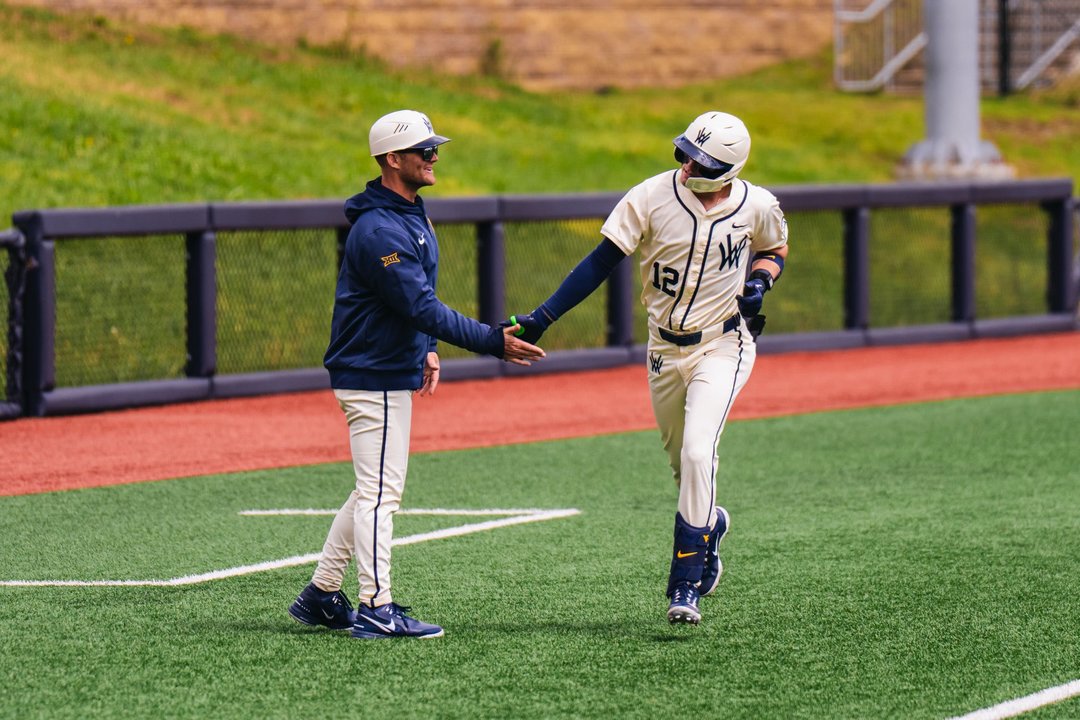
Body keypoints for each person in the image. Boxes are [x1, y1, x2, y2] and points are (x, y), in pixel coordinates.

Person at [508, 111, 788, 625]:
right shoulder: (652, 196)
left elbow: (774, 247)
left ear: (726, 169)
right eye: (684, 152)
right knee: (686, 469)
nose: (686, 164)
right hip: (663, 351)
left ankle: (684, 587)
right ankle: (711, 527)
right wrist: (543, 318)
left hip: (725, 345)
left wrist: (760, 282)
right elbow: (599, 262)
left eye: (699, 160)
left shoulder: (758, 204)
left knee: (700, 451)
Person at [289, 109, 545, 639]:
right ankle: (376, 609)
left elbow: (417, 305)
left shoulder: (411, 214)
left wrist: (426, 348)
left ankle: (321, 594)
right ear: (392, 159)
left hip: (384, 368)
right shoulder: (379, 228)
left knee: (371, 492)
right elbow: (419, 305)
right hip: (371, 375)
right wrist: (492, 342)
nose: (434, 156)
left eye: (434, 147)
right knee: (381, 494)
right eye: (423, 149)